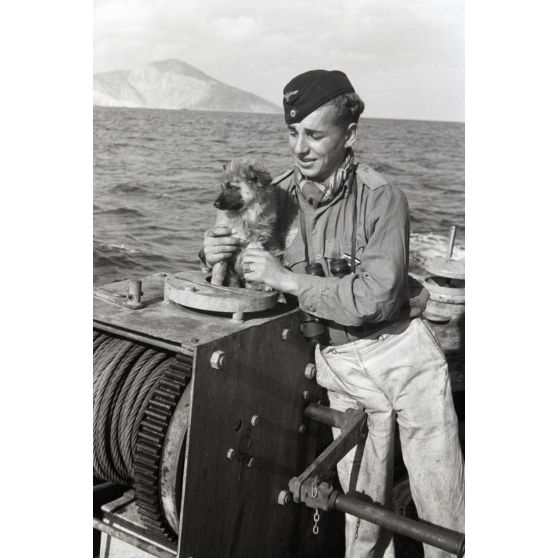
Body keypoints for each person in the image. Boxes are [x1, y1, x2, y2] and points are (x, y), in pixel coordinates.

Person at [202, 69, 464, 558]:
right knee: (362, 518)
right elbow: (241, 258)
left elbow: (378, 297)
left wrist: (289, 280)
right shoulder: (274, 197)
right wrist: (214, 252)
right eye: (292, 133)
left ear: (350, 134)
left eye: (315, 135)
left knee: (442, 509)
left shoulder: (383, 198)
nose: (300, 148)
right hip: (340, 368)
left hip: (402, 357)